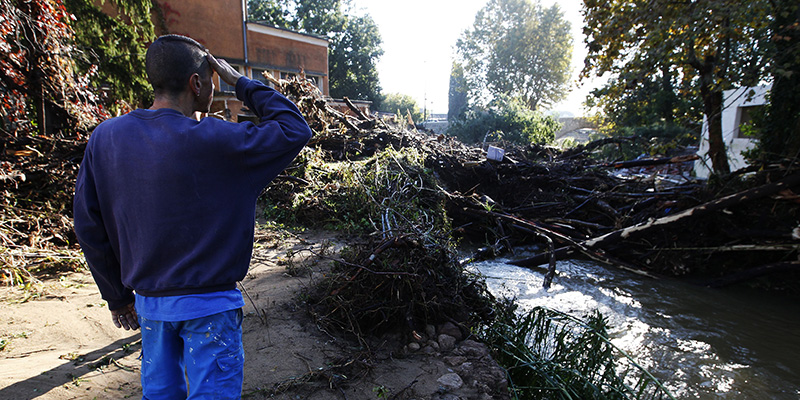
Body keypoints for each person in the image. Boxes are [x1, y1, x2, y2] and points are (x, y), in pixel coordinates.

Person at [73, 34, 312, 399]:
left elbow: (89, 224)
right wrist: (241, 82)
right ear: (196, 83)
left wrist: (117, 296)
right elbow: (294, 128)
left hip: (150, 308)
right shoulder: (221, 141)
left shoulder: (106, 138)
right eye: (213, 80)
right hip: (212, 308)